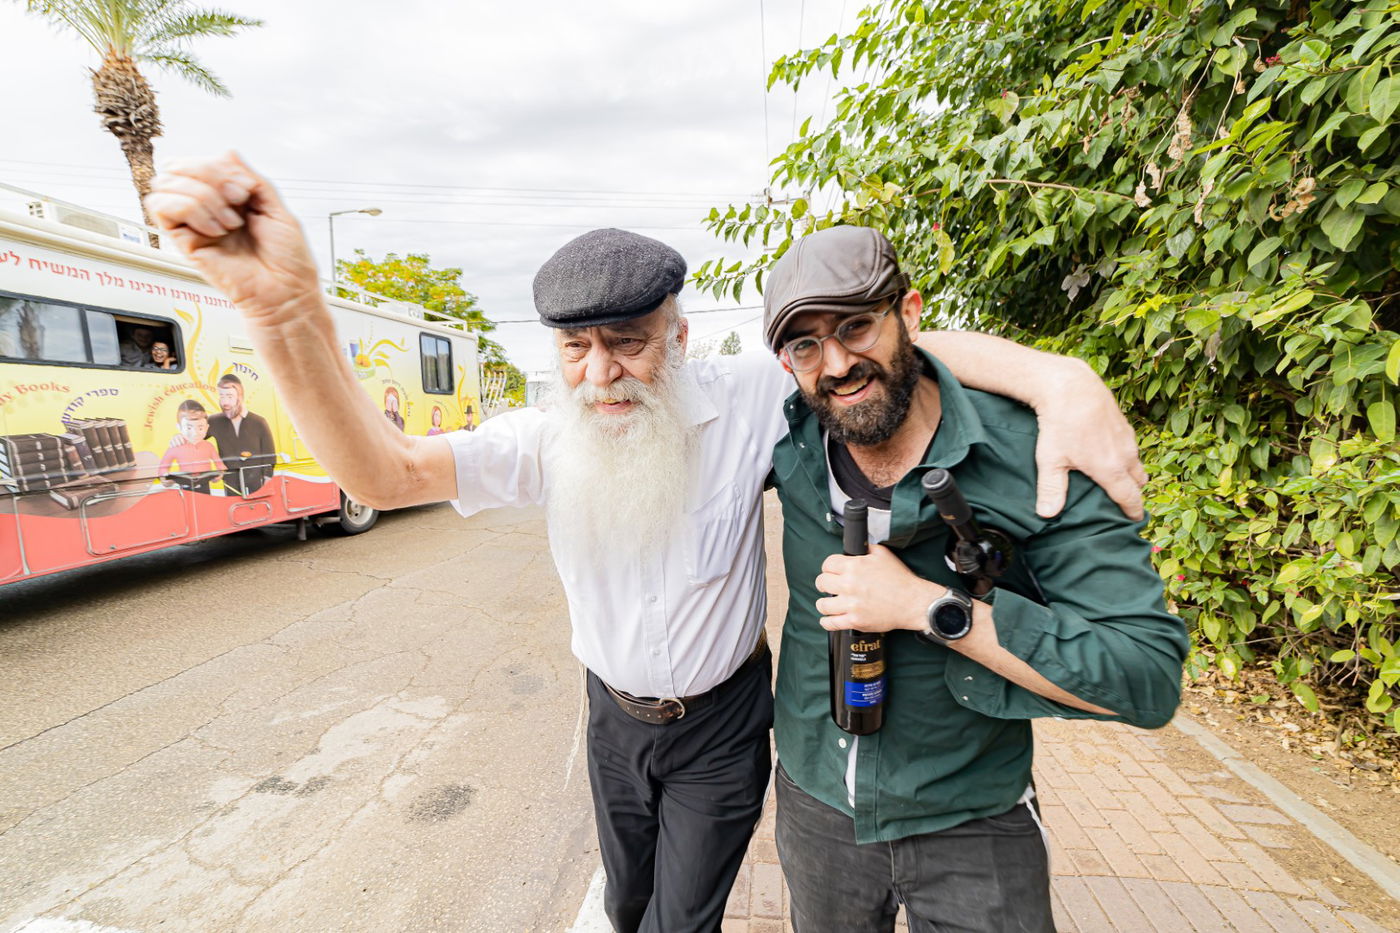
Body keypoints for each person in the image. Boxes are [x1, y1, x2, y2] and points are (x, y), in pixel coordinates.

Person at [144, 154, 1147, 933]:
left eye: (625, 342)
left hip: (721, 724)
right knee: (627, 908)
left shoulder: (750, 399)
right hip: (608, 721)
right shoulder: (546, 438)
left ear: (674, 337)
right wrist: (283, 314)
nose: (600, 374)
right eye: (574, 349)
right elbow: (384, 474)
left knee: (678, 919)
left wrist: (1058, 377)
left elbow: (877, 358)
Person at [759, 225, 1189, 933]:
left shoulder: (1035, 457)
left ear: (911, 313)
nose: (835, 362)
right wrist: (1058, 370)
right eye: (806, 344)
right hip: (816, 809)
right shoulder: (790, 440)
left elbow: (1144, 676)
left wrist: (930, 608)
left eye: (857, 324)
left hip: (973, 819)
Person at [206, 373, 276, 495]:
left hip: (256, 482)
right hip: (230, 484)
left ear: (240, 396)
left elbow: (269, 456)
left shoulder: (259, 422)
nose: (225, 402)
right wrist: (180, 438)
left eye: (229, 396)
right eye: (221, 396)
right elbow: (196, 437)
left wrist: (267, 479)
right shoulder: (214, 421)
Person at [159, 400, 225, 494]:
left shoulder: (209, 446)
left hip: (205, 486)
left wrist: (220, 473)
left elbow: (219, 464)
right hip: (185, 487)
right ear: (179, 427)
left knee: (206, 506)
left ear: (206, 427)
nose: (195, 433)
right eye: (189, 428)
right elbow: (163, 466)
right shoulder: (175, 447)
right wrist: (165, 477)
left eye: (200, 428)